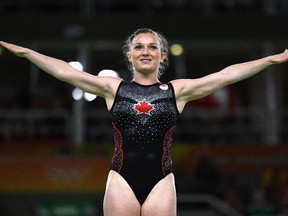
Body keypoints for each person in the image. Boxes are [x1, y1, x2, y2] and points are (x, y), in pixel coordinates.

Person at [0, 28, 288, 216]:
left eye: (152, 47)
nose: (146, 51)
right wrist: (27, 53)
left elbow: (225, 75)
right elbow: (66, 73)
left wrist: (271, 61)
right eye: (139, 47)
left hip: (161, 180)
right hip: (121, 179)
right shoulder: (113, 88)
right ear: (130, 55)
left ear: (162, 55)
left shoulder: (179, 90)